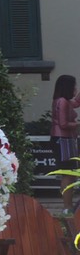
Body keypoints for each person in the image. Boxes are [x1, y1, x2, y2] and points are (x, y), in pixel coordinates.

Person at [52, 75, 79, 212]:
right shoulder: (62, 101)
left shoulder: (63, 101)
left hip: (66, 140)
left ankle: (68, 206)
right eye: (74, 86)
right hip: (62, 140)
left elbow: (76, 103)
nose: (75, 88)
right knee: (68, 174)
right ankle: (67, 207)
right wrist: (77, 124)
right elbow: (63, 123)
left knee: (71, 174)